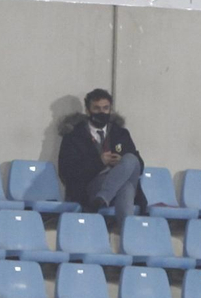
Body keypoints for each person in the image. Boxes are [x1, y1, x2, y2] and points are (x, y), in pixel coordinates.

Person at [58, 89, 144, 227]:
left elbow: (139, 165)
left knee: (130, 159)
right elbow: (67, 171)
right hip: (91, 185)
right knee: (126, 187)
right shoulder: (74, 136)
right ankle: (128, 236)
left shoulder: (120, 133)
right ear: (88, 110)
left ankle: (102, 200)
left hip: (112, 186)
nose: (102, 112)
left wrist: (120, 161)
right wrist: (99, 162)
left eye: (105, 108)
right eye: (96, 108)